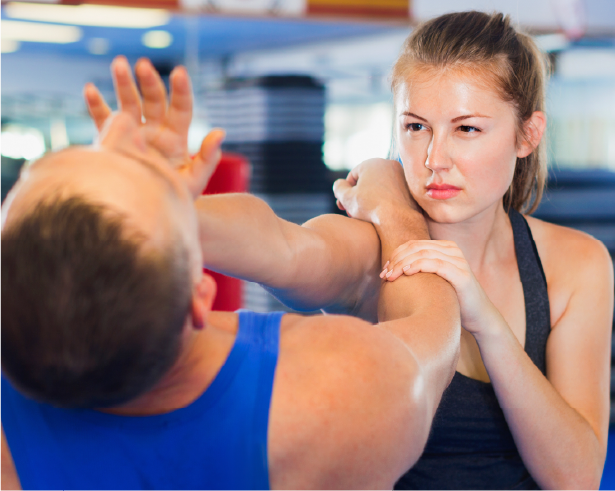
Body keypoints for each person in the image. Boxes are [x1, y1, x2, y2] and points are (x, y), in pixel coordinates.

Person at [89, 11, 613, 491]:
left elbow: (577, 477)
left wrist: (489, 326)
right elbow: (286, 247)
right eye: (415, 128)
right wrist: (168, 208)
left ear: (527, 134)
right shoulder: (371, 246)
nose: (434, 158)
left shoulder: (574, 265)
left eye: (467, 129)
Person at [0, 61, 463, 491]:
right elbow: (434, 340)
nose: (121, 130)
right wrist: (394, 209)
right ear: (200, 297)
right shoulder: (334, 394)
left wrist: (154, 204)